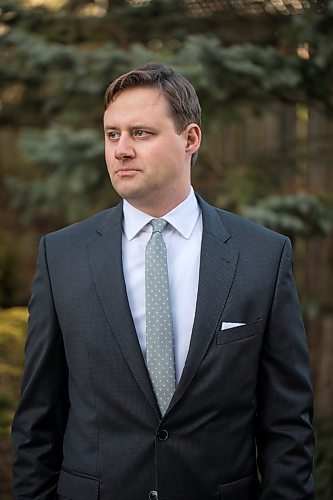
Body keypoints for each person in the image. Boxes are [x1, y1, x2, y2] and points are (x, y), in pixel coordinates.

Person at [12, 62, 314, 500]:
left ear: (190, 139)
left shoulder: (261, 256)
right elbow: (38, 419)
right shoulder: (62, 256)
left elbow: (287, 424)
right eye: (112, 134)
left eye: (141, 133)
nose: (121, 150)